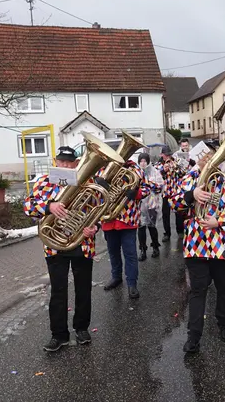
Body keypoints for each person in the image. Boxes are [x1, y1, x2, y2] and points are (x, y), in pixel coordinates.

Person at [170, 141, 225, 353]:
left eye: (211, 156)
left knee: (224, 287)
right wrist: (191, 195)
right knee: (197, 290)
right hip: (196, 244)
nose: (207, 160)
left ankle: (224, 323)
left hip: (222, 243)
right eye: (203, 157)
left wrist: (218, 221)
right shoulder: (189, 179)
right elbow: (174, 203)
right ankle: (193, 336)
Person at [23, 146, 99, 352]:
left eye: (69, 162)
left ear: (76, 164)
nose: (65, 165)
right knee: (58, 291)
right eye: (61, 161)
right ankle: (59, 335)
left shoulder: (88, 182)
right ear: (56, 162)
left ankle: (81, 328)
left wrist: (94, 227)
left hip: (82, 243)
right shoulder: (44, 182)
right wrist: (49, 207)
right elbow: (28, 206)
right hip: (54, 245)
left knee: (83, 289)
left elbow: (99, 211)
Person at [100, 156, 147, 299]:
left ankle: (132, 283)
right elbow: (93, 194)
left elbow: (147, 188)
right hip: (109, 219)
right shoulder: (102, 170)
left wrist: (137, 193)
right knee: (113, 252)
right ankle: (116, 277)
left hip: (128, 219)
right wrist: (99, 185)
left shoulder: (136, 170)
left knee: (130, 254)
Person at [156, 145, 186, 241]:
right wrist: (163, 170)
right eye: (166, 155)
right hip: (165, 193)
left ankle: (180, 231)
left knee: (179, 213)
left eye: (169, 155)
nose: (168, 157)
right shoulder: (158, 164)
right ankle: (167, 234)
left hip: (175, 192)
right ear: (161, 155)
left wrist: (175, 166)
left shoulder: (176, 161)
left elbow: (183, 173)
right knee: (165, 215)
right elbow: (156, 177)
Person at [137, 152, 163, 261]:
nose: (143, 163)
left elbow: (160, 187)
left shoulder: (155, 172)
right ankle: (143, 249)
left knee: (152, 227)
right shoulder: (136, 173)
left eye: (145, 161)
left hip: (152, 204)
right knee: (141, 228)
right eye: (141, 161)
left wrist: (148, 183)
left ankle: (155, 247)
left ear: (148, 161)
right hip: (140, 204)